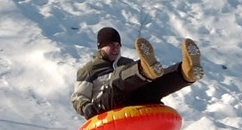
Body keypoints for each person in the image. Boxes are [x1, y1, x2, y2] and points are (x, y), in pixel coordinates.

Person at [71, 27, 204, 119]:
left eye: (118, 45)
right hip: (104, 108)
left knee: (153, 85)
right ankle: (144, 70)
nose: (116, 48)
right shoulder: (89, 69)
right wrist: (86, 107)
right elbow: (78, 96)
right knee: (118, 81)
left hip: (131, 104)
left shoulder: (126, 62)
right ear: (101, 46)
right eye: (111, 44)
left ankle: (185, 72)